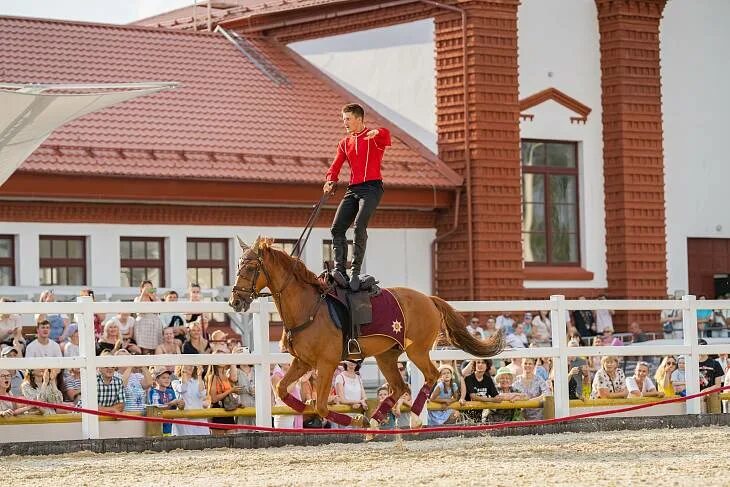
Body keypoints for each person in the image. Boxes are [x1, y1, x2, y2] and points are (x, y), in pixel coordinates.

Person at [323, 103, 391, 291]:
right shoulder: (345, 143)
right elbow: (336, 165)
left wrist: (377, 132)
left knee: (359, 225)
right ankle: (340, 270)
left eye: (348, 119)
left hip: (372, 188)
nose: (345, 123)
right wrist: (330, 179)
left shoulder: (373, 137)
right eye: (343, 119)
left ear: (359, 119)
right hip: (353, 189)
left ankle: (355, 270)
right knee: (337, 228)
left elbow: (387, 134)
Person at [172, 365, 210, 436]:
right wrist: (183, 373)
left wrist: (199, 376)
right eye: (187, 365)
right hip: (183, 419)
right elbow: (182, 389)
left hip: (199, 418)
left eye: (192, 365)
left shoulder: (198, 381)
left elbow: (202, 394)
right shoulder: (176, 382)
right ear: (181, 366)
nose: (189, 367)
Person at [148, 366, 185, 436]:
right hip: (158, 429)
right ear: (157, 379)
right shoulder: (153, 392)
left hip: (171, 428)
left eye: (168, 378)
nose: (167, 380)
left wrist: (181, 405)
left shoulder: (171, 391)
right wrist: (172, 403)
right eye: (163, 378)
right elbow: (157, 409)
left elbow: (176, 407)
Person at [460, 359, 499, 423]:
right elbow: (473, 397)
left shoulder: (488, 379)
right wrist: (492, 400)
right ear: (474, 365)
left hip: (483, 414)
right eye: (478, 362)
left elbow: (496, 395)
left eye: (483, 363)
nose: (480, 365)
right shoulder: (469, 378)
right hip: (468, 414)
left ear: (487, 366)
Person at [333, 360, 368, 426]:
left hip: (358, 416)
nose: (352, 363)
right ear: (345, 362)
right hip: (345, 416)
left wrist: (360, 403)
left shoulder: (358, 378)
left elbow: (364, 397)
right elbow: (342, 400)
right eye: (350, 360)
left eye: (354, 361)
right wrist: (359, 402)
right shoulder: (340, 377)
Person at [133, 281, 163, 354]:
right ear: (141, 288)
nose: (148, 289)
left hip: (154, 323)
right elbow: (137, 310)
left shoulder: (156, 298)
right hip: (142, 323)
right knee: (144, 348)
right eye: (146, 287)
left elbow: (159, 310)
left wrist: (153, 297)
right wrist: (143, 294)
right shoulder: (137, 298)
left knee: (155, 346)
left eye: (150, 287)